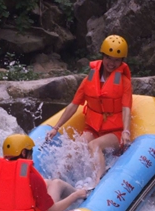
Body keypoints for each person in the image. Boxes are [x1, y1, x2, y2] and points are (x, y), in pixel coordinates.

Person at [45, 34, 133, 185]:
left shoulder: (124, 82)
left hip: (114, 131)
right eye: (108, 58)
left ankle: (99, 181)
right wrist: (56, 127)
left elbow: (126, 108)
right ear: (103, 56)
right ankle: (56, 178)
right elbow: (74, 104)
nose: (111, 63)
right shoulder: (89, 79)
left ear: (122, 61)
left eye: (116, 60)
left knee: (94, 145)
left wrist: (126, 131)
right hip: (93, 128)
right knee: (77, 145)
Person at [0, 134, 88, 211]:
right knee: (57, 183)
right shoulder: (32, 178)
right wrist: (75, 196)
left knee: (47, 182)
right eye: (30, 153)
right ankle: (81, 193)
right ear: (23, 153)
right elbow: (53, 210)